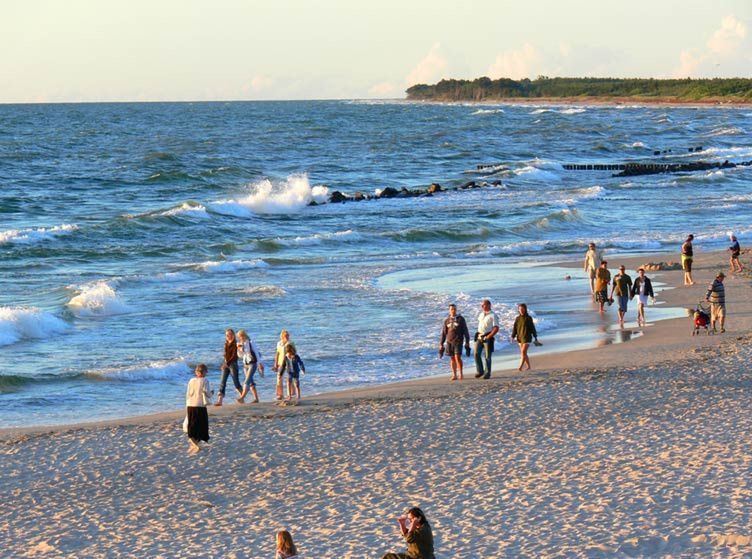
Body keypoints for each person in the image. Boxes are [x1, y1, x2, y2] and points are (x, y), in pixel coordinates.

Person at [185, 364, 212, 453]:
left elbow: (188, 394)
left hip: (190, 405)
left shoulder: (191, 380)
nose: (206, 373)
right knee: (201, 425)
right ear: (203, 372)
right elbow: (207, 393)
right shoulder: (205, 380)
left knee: (192, 425)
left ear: (196, 372)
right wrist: (212, 393)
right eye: (206, 371)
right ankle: (196, 444)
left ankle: (194, 443)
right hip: (200, 405)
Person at [439, 303, 470, 381]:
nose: (453, 310)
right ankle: (454, 375)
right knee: (452, 358)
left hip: (458, 341)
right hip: (449, 342)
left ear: (456, 310)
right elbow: (444, 333)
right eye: (451, 309)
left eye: (454, 309)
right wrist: (441, 344)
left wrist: (467, 341)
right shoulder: (446, 320)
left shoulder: (461, 319)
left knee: (457, 357)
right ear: (449, 310)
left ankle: (461, 374)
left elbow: (465, 331)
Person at [237, 329, 265, 404]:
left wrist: (259, 363)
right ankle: (256, 399)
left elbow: (256, 353)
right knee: (251, 382)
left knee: (247, 381)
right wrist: (239, 349)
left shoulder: (250, 342)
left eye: (242, 336)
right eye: (239, 337)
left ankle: (242, 397)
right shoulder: (240, 344)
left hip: (252, 364)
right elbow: (240, 356)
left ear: (244, 335)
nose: (241, 338)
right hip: (245, 364)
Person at [474, 299, 500, 379]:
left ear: (489, 305)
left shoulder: (493, 315)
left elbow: (496, 328)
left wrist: (489, 336)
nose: (482, 306)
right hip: (479, 336)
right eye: (482, 305)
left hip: (488, 337)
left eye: (484, 305)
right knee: (476, 354)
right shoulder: (481, 314)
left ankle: (487, 373)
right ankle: (480, 371)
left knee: (487, 356)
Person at [215, 329, 242, 407]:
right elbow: (225, 355)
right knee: (222, 382)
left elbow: (234, 356)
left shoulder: (235, 344)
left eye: (229, 335)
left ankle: (242, 397)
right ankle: (219, 401)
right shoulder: (226, 343)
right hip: (226, 364)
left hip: (233, 364)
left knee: (236, 382)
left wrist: (227, 363)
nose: (227, 336)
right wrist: (224, 363)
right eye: (226, 335)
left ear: (232, 335)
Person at [510, 303, 538, 371]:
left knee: (523, 352)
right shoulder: (517, 318)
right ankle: (528, 366)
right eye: (520, 309)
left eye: (523, 309)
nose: (521, 310)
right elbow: (515, 328)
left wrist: (535, 336)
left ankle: (520, 367)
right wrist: (512, 336)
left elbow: (532, 328)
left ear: (525, 309)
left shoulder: (528, 318)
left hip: (527, 337)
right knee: (524, 353)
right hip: (520, 337)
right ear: (518, 310)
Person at [273, 330, 294, 401]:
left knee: (289, 378)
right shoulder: (279, 343)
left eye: (288, 335)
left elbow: (294, 352)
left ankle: (290, 394)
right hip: (280, 363)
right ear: (282, 336)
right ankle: (280, 394)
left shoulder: (290, 343)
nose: (287, 337)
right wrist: (275, 363)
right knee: (279, 378)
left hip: (289, 362)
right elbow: (277, 353)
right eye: (285, 336)